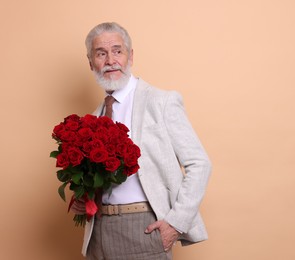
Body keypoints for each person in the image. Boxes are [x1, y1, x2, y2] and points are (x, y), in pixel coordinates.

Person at [71, 22, 212, 260]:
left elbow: (200, 164)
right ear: (90, 63)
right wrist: (84, 198)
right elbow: (100, 179)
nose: (110, 60)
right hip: (98, 231)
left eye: (117, 51)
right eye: (101, 53)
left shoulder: (161, 101)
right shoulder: (93, 118)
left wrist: (175, 223)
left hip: (144, 228)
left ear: (131, 56)